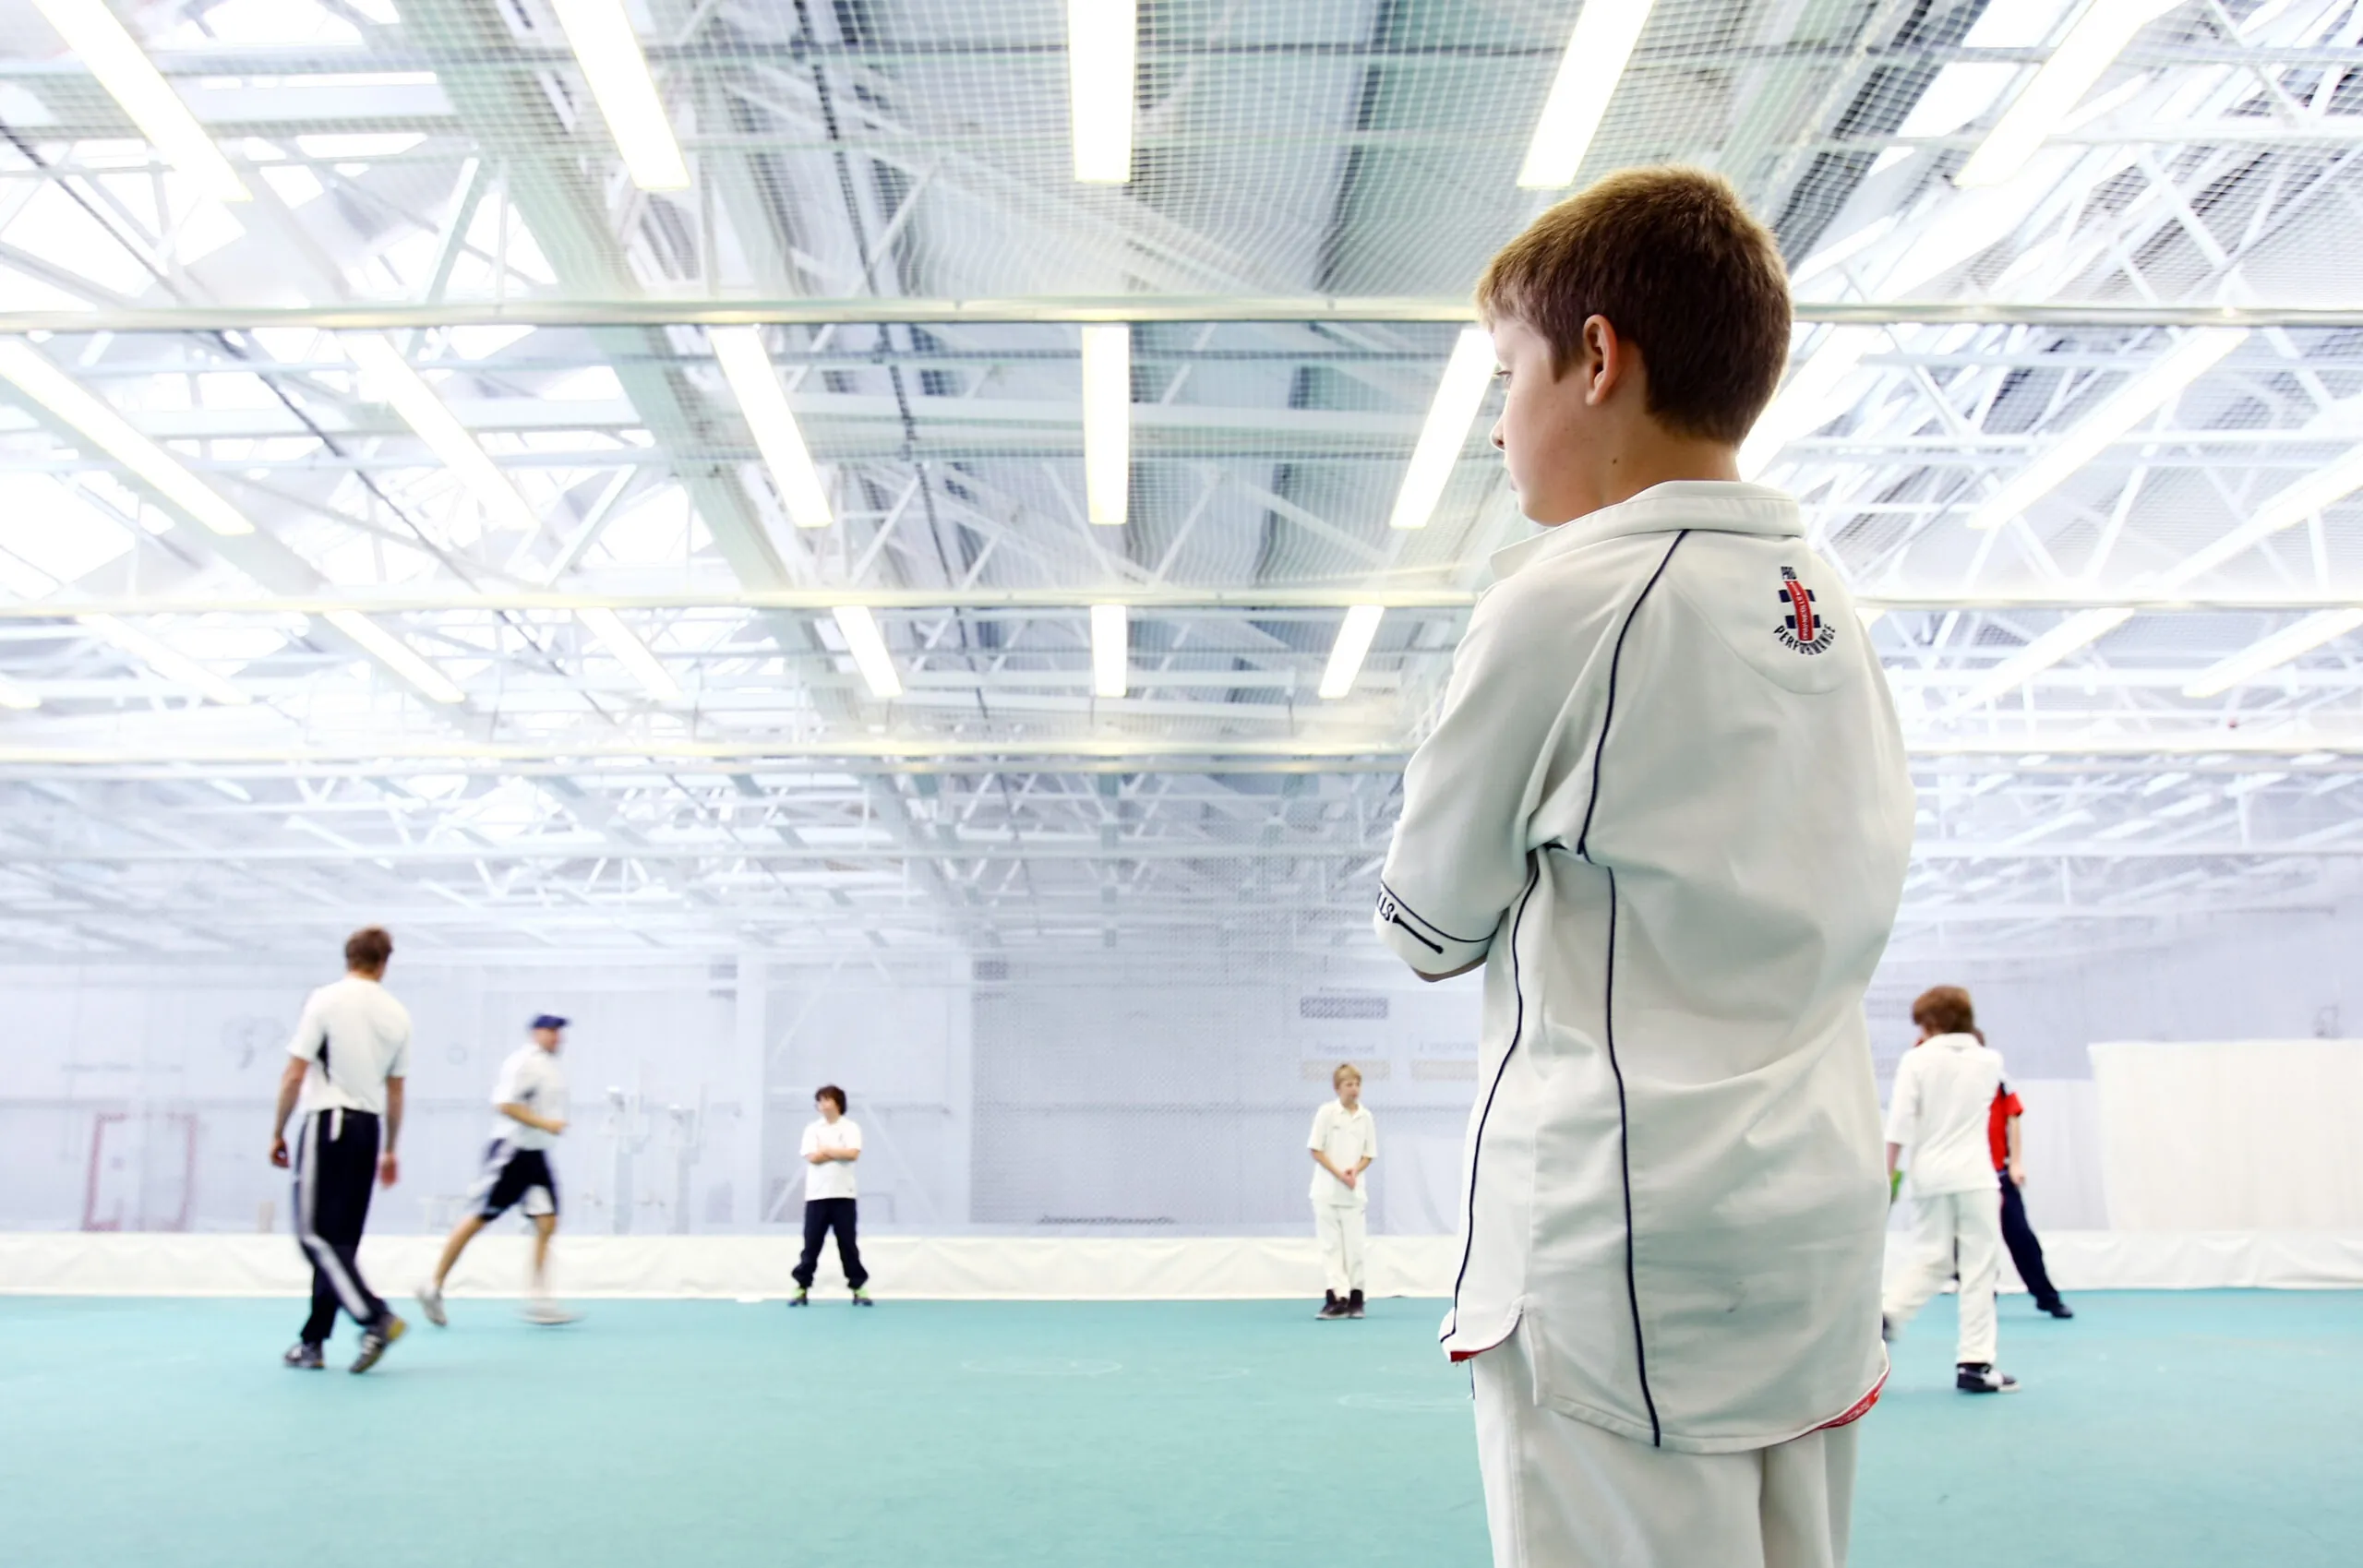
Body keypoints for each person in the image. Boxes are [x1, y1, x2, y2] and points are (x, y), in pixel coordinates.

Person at [1372, 166, 1913, 1568]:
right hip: (1810, 1241)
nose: (1499, 424)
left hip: (1621, 1260)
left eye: (1508, 375)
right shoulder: (1831, 606)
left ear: (1598, 359)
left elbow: (1426, 922)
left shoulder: (1562, 602)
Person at [269, 926, 413, 1373]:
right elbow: (396, 1092)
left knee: (315, 1235)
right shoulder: (397, 1014)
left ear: (348, 958)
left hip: (328, 1122)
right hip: (368, 1131)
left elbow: (295, 1074)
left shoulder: (327, 999)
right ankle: (312, 1342)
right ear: (384, 964)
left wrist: (278, 1131)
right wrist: (389, 1149)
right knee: (341, 1243)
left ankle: (375, 1317)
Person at [1881, 987, 2020, 1393]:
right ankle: (1975, 1364)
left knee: (1933, 1256)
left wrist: (1885, 1177)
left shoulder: (1916, 1060)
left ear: (1932, 1024)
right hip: (1976, 1176)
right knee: (1979, 1268)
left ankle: (1887, 1314)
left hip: (1930, 1175)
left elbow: (1900, 1123)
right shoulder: (1989, 1059)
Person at [415, 1014, 579, 1328]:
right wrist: (546, 1124)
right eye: (552, 1032)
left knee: (547, 1222)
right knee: (479, 1218)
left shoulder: (550, 1066)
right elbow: (504, 1104)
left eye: (560, 1032)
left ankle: (539, 1299)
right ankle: (433, 1285)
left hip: (537, 1155)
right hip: (511, 1152)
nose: (558, 1038)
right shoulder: (522, 1063)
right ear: (537, 1033)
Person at [1990, 1062, 2072, 1320]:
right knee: (1967, 1245)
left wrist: (2015, 1162)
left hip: (1999, 1176)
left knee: (2022, 1238)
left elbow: (2013, 1118)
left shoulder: (1997, 1079)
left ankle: (2047, 1298)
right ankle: (1981, 1299)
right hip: (1964, 1178)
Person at [1307, 1062, 1378, 1321]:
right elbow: (1316, 1149)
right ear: (1338, 1088)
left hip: (1353, 1195)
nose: (1354, 1089)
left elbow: (1369, 1153)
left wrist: (1354, 1172)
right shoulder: (1326, 1113)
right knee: (1331, 1247)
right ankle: (1337, 1298)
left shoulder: (1365, 1117)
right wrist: (1339, 1174)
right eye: (1349, 1084)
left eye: (1357, 1084)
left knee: (1355, 1248)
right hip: (1326, 1193)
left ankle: (1357, 1298)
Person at [790, 1085, 871, 1307]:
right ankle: (801, 1288)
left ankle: (859, 1288)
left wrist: (826, 1149)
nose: (823, 1104)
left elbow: (852, 1153)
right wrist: (836, 1152)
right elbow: (812, 1157)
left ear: (838, 1103)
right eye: (820, 1100)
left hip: (844, 1195)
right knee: (811, 1245)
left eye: (828, 1100)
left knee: (848, 1245)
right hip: (817, 1196)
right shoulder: (812, 1129)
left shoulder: (851, 1127)